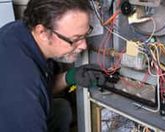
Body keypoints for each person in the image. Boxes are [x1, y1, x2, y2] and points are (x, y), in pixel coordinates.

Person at [0, 0, 106, 132]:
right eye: (75, 39)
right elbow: (33, 92)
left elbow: (42, 89)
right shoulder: (23, 97)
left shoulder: (20, 30)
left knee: (62, 109)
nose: (84, 45)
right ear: (42, 32)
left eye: (86, 34)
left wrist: (70, 76)